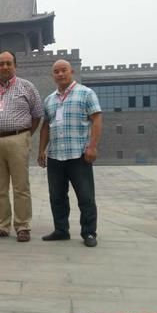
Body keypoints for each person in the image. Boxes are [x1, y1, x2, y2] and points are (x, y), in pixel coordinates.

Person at [37, 59, 103, 247]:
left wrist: (92, 146)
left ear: (71, 71)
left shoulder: (86, 93)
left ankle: (89, 232)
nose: (60, 74)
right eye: (56, 71)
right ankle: (61, 230)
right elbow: (45, 127)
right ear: (53, 75)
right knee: (57, 196)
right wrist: (41, 150)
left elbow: (97, 119)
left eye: (63, 70)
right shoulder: (50, 99)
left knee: (85, 196)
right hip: (56, 156)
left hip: (78, 154)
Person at [0, 51, 43, 242]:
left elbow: (37, 114)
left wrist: (25, 135)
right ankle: (1, 226)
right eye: (1, 64)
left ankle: (23, 226)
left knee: (20, 186)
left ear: (15, 65)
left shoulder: (27, 87)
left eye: (9, 63)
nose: (5, 67)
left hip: (17, 139)